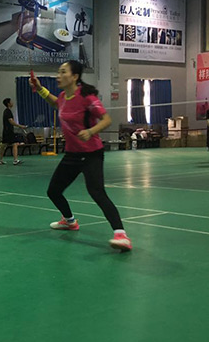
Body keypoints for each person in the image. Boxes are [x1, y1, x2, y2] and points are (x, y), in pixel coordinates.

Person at [30, 60, 132, 251]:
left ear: (75, 76)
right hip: (72, 154)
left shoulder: (87, 97)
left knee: (97, 192)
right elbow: (55, 102)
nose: (58, 76)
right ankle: (70, 221)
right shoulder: (63, 96)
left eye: (63, 72)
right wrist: (40, 88)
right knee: (53, 191)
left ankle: (121, 235)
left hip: (91, 153)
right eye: (58, 72)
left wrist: (91, 131)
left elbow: (106, 119)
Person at [0, 98, 26, 165]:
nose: (12, 103)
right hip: (9, 131)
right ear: (8, 104)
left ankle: (0, 160)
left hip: (6, 131)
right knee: (14, 144)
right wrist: (20, 126)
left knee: (3, 145)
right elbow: (11, 121)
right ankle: (15, 160)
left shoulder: (6, 111)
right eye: (11, 102)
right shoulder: (8, 111)